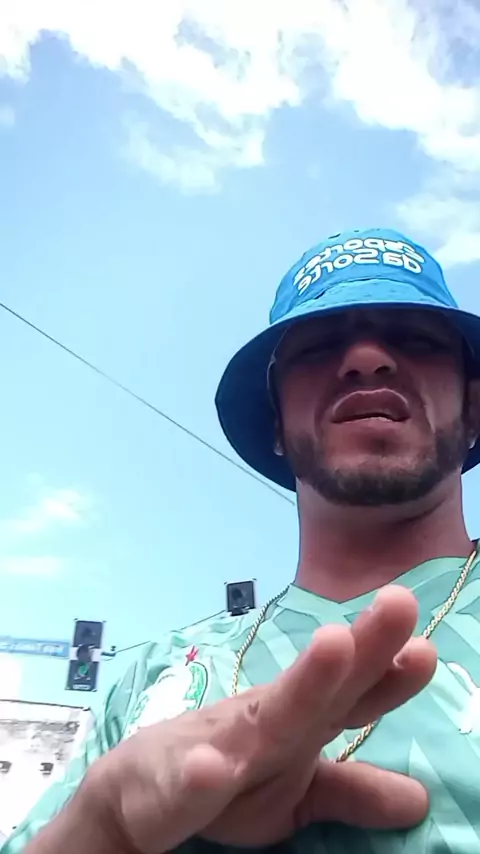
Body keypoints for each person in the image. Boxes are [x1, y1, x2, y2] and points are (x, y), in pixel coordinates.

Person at [5, 227, 480, 854]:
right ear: (276, 422)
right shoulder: (160, 674)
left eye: (416, 338)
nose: (366, 358)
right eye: (317, 346)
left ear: (473, 409)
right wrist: (102, 826)